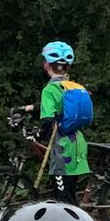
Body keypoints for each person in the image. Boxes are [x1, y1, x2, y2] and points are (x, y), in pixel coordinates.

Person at [36, 41, 90, 199]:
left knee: (64, 203)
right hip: (78, 145)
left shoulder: (49, 90)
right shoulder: (73, 86)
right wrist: (28, 108)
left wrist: (39, 135)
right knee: (71, 196)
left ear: (46, 65)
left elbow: (47, 120)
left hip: (62, 151)